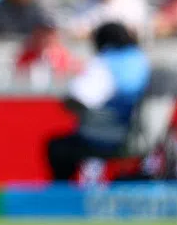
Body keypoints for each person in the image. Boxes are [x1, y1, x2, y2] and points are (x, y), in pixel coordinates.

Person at [46, 21, 151, 181]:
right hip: (141, 135)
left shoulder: (104, 63)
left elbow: (80, 98)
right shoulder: (142, 61)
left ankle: (62, 201)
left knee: (57, 147)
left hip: (110, 136)